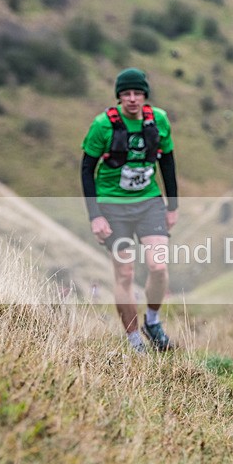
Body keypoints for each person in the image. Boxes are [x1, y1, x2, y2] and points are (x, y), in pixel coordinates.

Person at [80, 67, 179, 354]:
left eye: (137, 93)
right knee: (124, 273)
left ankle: (153, 321)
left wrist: (172, 206)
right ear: (119, 98)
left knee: (158, 266)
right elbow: (87, 169)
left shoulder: (158, 120)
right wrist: (94, 215)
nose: (132, 99)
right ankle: (134, 340)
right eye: (126, 94)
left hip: (149, 203)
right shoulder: (103, 125)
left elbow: (168, 163)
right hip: (113, 206)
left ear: (145, 96)